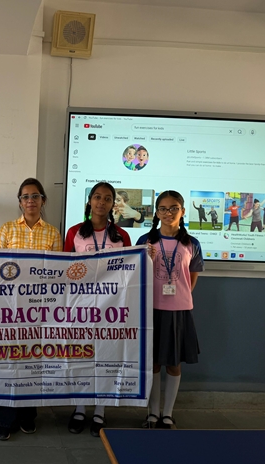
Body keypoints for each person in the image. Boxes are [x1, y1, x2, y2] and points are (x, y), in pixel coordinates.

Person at [0, 177, 62, 441]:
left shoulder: (53, 233)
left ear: (43, 200)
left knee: (33, 360)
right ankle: (3, 418)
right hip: (10, 309)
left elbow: (57, 273)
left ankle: (27, 416)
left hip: (40, 310)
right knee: (8, 360)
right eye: (25, 196)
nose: (30, 201)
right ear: (20, 202)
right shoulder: (7, 229)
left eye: (35, 196)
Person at [63, 182, 131, 437]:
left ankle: (100, 410)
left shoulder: (121, 236)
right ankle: (80, 408)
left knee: (106, 357)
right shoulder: (74, 232)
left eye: (107, 198)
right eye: (97, 197)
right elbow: (64, 269)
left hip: (111, 307)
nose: (102, 202)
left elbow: (129, 272)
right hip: (81, 306)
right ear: (90, 201)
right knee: (82, 356)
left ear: (113, 204)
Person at [136, 190, 204, 429]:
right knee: (153, 363)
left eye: (174, 208)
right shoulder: (145, 240)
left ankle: (168, 414)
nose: (168, 213)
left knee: (174, 364)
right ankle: (153, 413)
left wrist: (179, 296)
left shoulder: (191, 243)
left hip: (179, 311)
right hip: (150, 309)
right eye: (163, 209)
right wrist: (147, 258)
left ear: (182, 211)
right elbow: (135, 273)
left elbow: (192, 277)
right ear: (156, 213)